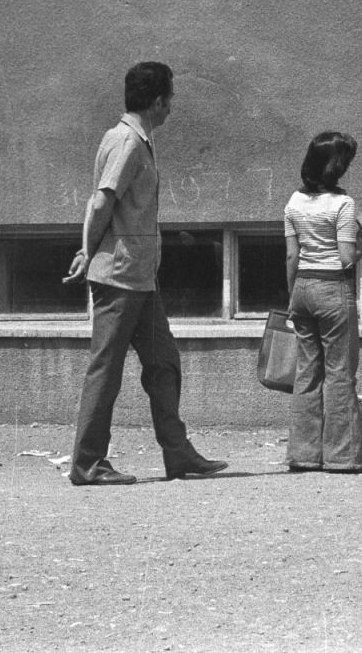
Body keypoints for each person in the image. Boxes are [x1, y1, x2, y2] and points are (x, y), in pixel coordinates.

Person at [62, 61, 227, 485]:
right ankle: (87, 464)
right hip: (119, 278)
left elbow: (99, 202)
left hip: (139, 278)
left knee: (164, 364)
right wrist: (87, 251)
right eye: (170, 99)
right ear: (156, 102)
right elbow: (100, 203)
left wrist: (86, 249)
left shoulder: (133, 140)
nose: (172, 107)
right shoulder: (127, 143)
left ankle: (179, 454)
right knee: (106, 370)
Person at [283, 131, 362, 473]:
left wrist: (292, 295)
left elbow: (292, 256)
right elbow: (347, 257)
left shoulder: (293, 202)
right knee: (339, 373)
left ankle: (303, 454)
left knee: (307, 373)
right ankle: (341, 456)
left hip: (303, 287)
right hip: (333, 288)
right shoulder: (343, 205)